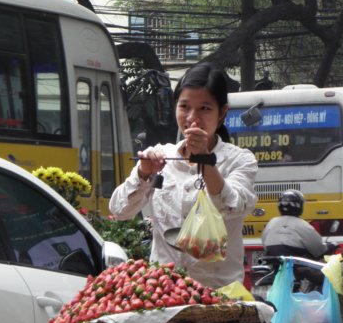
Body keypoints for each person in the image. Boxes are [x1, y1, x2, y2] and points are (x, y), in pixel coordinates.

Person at [110, 62, 258, 289]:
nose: (193, 118)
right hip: (164, 292)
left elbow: (233, 206)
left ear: (222, 114)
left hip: (218, 294)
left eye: (205, 109)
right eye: (185, 107)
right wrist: (143, 174)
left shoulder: (240, 160)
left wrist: (205, 159)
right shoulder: (161, 156)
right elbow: (119, 211)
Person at [262, 189, 335, 259]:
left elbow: (264, 244)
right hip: (295, 267)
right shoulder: (303, 225)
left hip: (272, 265)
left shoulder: (271, 222)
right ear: (300, 207)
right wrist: (331, 246)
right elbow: (318, 250)